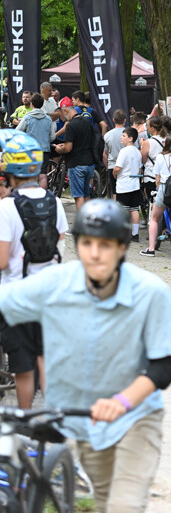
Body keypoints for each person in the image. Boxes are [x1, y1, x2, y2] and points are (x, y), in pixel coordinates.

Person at [0, 197, 171, 513]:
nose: (94, 254)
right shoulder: (56, 283)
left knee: (123, 506)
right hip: (79, 421)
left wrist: (121, 402)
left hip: (134, 418)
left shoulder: (150, 292)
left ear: (122, 247)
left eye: (105, 244)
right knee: (103, 501)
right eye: (86, 243)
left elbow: (164, 366)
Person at [0, 131, 67, 409]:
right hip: (48, 294)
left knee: (22, 367)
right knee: (44, 358)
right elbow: (59, 240)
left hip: (15, 297)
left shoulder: (6, 207)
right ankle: (51, 415)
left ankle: (24, 421)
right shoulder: (54, 201)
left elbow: (2, 261)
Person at [141, 133, 171, 257]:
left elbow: (157, 179)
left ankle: (151, 249)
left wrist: (159, 190)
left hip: (165, 189)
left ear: (167, 144)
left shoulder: (161, 157)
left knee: (154, 219)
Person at [55, 104, 95, 210]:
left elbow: (68, 148)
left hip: (76, 164)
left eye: (63, 115)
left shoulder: (71, 125)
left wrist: (59, 149)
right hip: (89, 163)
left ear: (66, 111)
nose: (63, 119)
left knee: (78, 196)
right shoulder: (87, 122)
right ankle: (89, 222)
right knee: (86, 195)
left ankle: (81, 224)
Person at [16, 92, 56, 189]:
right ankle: (42, 197)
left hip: (30, 151)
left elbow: (17, 132)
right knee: (43, 175)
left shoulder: (27, 118)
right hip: (44, 151)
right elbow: (52, 136)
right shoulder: (48, 119)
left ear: (31, 104)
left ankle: (31, 198)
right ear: (42, 104)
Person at [113, 127, 143, 243]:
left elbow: (118, 167)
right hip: (135, 184)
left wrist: (114, 173)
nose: (121, 138)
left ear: (130, 139)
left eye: (124, 136)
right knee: (134, 209)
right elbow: (140, 169)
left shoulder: (124, 151)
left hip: (124, 184)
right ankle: (135, 234)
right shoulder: (137, 151)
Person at [103, 109, 127, 199]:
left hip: (113, 166)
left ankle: (118, 211)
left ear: (113, 119)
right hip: (128, 167)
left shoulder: (107, 135)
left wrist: (107, 166)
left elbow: (104, 154)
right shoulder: (130, 133)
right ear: (125, 120)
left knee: (115, 192)